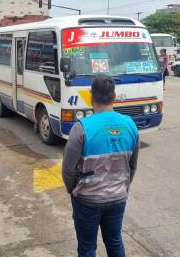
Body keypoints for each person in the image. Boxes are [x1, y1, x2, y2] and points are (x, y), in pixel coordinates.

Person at [62, 74, 140, 257]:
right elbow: (132, 166)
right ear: (114, 97)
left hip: (87, 200)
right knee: (114, 242)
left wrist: (72, 189)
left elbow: (68, 170)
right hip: (117, 198)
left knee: (88, 247)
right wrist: (123, 188)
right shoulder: (130, 125)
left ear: (91, 95)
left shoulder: (81, 128)